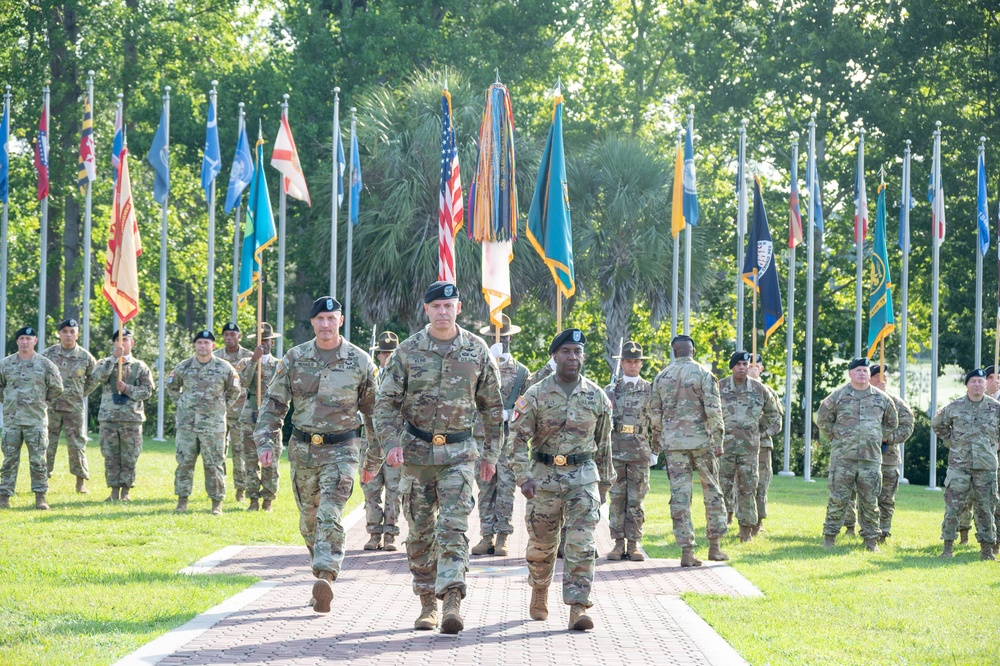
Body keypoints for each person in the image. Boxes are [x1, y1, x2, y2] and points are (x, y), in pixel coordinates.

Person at [365, 281, 503, 635]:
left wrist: (491, 454)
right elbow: (385, 403)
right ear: (426, 310)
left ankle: (452, 599)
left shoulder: (476, 349)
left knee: (454, 526)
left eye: (449, 306)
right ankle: (427, 602)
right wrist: (391, 442)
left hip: (459, 453)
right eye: (436, 307)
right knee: (420, 534)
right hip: (416, 454)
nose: (443, 312)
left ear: (458, 308)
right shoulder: (408, 351)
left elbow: (492, 407)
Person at [255, 297, 378, 614]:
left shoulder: (360, 361)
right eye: (320, 318)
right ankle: (319, 570)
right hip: (303, 450)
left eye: (331, 318)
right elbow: (273, 406)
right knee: (309, 522)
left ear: (341, 320)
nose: (326, 324)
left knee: (329, 512)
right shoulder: (295, 358)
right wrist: (267, 443)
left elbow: (375, 413)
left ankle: (326, 575)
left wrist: (373, 458)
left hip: (344, 448)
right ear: (312, 322)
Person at [510, 329, 614, 631]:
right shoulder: (535, 395)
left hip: (582, 479)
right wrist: (524, 477)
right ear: (555, 356)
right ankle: (540, 588)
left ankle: (578, 606)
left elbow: (605, 446)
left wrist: (604, 485)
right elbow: (516, 441)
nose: (572, 357)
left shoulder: (597, 396)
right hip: (543, 479)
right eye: (566, 351)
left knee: (581, 544)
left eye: (577, 352)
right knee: (542, 544)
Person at [642, 334, 728, 567]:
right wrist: (718, 441)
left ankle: (687, 551)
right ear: (693, 350)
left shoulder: (662, 377)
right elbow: (714, 411)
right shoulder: (704, 374)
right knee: (712, 493)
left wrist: (657, 444)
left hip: (674, 446)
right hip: (702, 444)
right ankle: (715, 546)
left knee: (680, 497)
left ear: (674, 352)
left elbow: (655, 417)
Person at [818, 357, 898, 552]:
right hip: (843, 458)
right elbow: (822, 420)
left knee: (870, 501)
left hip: (870, 459)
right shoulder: (838, 396)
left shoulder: (881, 398)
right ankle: (829, 537)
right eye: (858, 371)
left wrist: (877, 435)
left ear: (868, 375)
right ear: (850, 374)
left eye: (864, 370)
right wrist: (838, 437)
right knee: (838, 499)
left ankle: (871, 541)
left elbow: (891, 422)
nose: (862, 374)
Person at [471, 314, 533, 558]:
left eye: (506, 337)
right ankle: (486, 536)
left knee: (506, 487)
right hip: (483, 437)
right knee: (485, 487)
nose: (503, 341)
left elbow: (527, 400)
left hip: (508, 440)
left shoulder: (521, 372)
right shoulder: (480, 366)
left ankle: (503, 536)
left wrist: (512, 411)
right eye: (498, 337)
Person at [168, 329, 240, 515]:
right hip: (187, 425)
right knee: (184, 462)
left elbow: (234, 390)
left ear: (213, 346)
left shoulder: (224, 368)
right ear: (195, 345)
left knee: (214, 464)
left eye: (206, 343)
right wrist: (182, 404)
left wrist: (221, 407)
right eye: (199, 342)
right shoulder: (183, 367)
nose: (203, 346)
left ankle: (217, 502)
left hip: (213, 426)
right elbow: (172, 387)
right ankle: (182, 501)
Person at [931, 368, 999, 560]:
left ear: (986, 384)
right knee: (954, 507)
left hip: (986, 466)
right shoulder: (954, 407)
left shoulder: (995, 407)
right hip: (959, 466)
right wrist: (952, 441)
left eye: (980, 381)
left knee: (986, 508)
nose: (977, 385)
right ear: (967, 385)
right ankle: (947, 548)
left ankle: (987, 550)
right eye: (973, 382)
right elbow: (938, 425)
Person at [718, 351, 781, 542]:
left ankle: (746, 530)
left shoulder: (759, 389)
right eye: (738, 364)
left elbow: (773, 413)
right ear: (732, 367)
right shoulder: (718, 387)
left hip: (749, 450)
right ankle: (717, 527)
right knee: (721, 489)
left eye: (745, 364)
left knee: (748, 489)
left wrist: (758, 429)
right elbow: (707, 411)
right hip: (723, 449)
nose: (742, 368)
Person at [0, 326, 64, 509]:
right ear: (17, 341)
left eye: (29, 339)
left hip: (36, 421)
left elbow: (57, 388)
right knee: (9, 460)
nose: (25, 342)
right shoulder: (5, 364)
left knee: (38, 461)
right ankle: (4, 497)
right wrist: (10, 402)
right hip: (12, 421)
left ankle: (40, 497)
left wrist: (39, 401)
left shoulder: (45, 364)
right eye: (21, 338)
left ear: (35, 341)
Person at [90, 328, 154, 502]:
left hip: (131, 419)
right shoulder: (105, 363)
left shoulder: (140, 367)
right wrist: (113, 359)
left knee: (129, 456)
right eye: (118, 340)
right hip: (109, 418)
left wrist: (127, 389)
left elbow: (148, 391)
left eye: (125, 340)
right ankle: (113, 491)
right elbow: (96, 377)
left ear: (131, 343)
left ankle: (126, 491)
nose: (122, 343)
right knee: (110, 456)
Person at [604, 340, 653, 562]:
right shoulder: (611, 390)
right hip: (615, 450)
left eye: (636, 361)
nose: (632, 365)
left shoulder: (650, 389)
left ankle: (633, 544)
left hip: (639, 450)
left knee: (636, 500)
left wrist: (655, 450)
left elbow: (657, 421)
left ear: (640, 364)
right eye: (628, 361)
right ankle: (617, 543)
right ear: (621, 363)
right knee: (617, 499)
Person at [42, 318, 99, 493]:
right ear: (59, 334)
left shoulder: (85, 356)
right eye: (65, 331)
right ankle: (42, 479)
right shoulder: (47, 355)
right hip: (51, 407)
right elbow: (39, 376)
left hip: (74, 408)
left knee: (77, 445)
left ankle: (80, 482)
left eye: (72, 332)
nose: (68, 335)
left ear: (77, 334)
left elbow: (94, 378)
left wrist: (80, 393)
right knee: (46, 444)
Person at [361, 330, 402, 550]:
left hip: (393, 442)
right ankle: (374, 533)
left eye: (391, 353)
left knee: (394, 491)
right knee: (371, 490)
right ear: (378, 355)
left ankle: (391, 535)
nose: (387, 356)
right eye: (383, 353)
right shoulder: (371, 377)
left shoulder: (404, 378)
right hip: (370, 441)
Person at [234, 322, 282, 512]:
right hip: (249, 416)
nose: (264, 344)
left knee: (271, 459)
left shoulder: (279, 364)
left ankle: (268, 499)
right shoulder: (246, 362)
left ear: (272, 342)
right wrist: (254, 360)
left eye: (267, 341)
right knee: (250, 460)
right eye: (261, 341)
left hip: (271, 417)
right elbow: (243, 383)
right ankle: (253, 498)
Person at [215, 322, 253, 502]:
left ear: (240, 336)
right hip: (219, 412)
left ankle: (240, 489)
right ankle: (218, 487)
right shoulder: (215, 357)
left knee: (240, 453)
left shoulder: (249, 357)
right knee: (218, 452)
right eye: (226, 335)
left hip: (241, 412)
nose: (229, 338)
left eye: (232, 334)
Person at [748, 354, 783, 535]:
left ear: (761, 369)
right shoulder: (735, 390)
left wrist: (759, 433)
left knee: (761, 484)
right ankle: (736, 518)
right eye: (748, 365)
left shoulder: (768, 392)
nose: (751, 368)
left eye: (756, 365)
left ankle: (759, 521)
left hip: (761, 445)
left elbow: (776, 423)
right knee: (738, 484)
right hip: (739, 445)